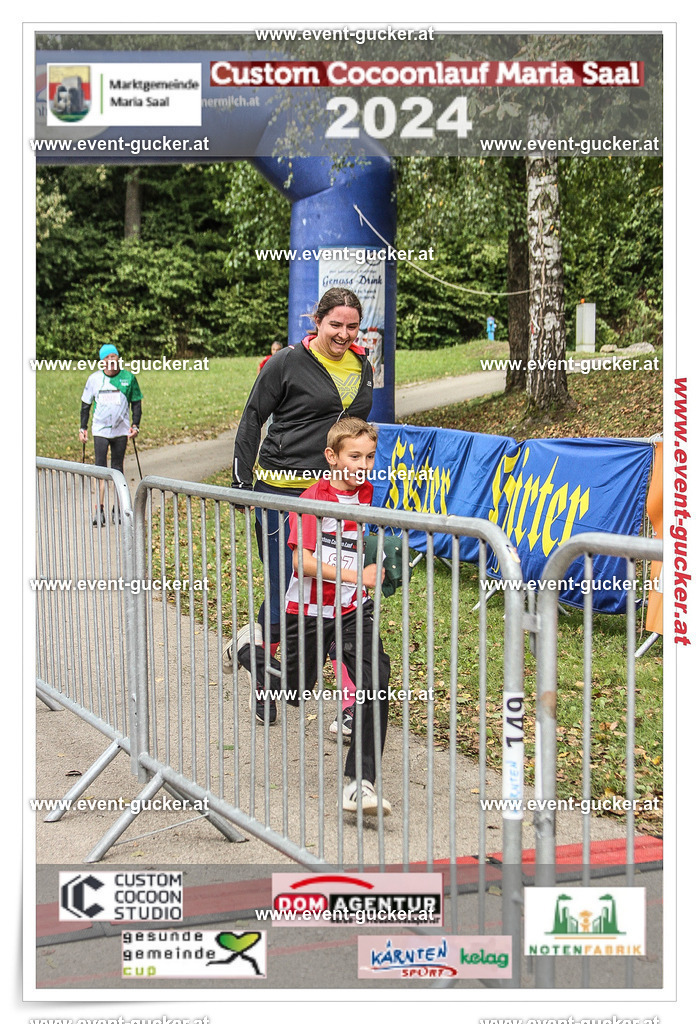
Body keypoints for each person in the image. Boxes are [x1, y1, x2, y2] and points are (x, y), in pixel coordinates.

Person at [225, 288, 375, 723]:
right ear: (318, 322)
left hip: (335, 497)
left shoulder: (362, 365)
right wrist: (241, 481)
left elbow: (355, 429)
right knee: (287, 588)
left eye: (352, 326)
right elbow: (253, 415)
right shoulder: (288, 361)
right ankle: (265, 682)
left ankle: (351, 706)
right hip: (282, 493)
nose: (344, 334)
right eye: (336, 325)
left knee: (343, 594)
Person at [239, 418, 391, 815]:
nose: (363, 465)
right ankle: (248, 652)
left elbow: (367, 545)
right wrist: (358, 574)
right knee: (293, 691)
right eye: (354, 456)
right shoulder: (311, 500)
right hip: (306, 612)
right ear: (332, 456)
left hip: (353, 609)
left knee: (377, 678)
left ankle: (361, 784)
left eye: (370, 457)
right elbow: (302, 562)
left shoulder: (369, 494)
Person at [78, 344, 142, 525]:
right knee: (100, 470)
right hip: (100, 430)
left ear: (118, 358)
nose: (111, 360)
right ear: (102, 361)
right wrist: (82, 428)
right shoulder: (94, 379)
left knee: (117, 469)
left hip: (121, 431)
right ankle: (99, 510)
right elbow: (85, 405)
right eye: (107, 358)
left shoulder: (128, 378)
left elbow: (136, 403)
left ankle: (117, 508)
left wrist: (135, 426)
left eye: (114, 357)